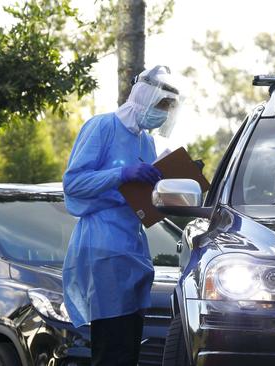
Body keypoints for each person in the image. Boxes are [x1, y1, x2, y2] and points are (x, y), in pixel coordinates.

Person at [62, 65, 181, 366]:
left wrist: (171, 185)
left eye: (168, 108)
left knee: (128, 347)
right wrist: (121, 173)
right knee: (109, 346)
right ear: (143, 97)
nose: (163, 114)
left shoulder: (147, 141)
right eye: (160, 105)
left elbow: (144, 202)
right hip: (102, 246)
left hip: (133, 248)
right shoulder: (102, 126)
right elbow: (73, 182)